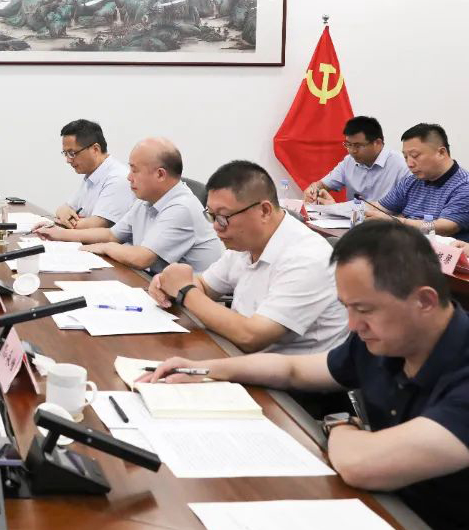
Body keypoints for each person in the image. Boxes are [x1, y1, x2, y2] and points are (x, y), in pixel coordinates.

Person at [141, 221, 469, 530]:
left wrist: (338, 424)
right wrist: (206, 369)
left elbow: (360, 465)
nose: (353, 325)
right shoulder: (385, 340)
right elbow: (293, 369)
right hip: (381, 506)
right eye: (347, 308)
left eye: (364, 310)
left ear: (424, 301)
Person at [149, 160, 348, 354]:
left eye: (223, 217)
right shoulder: (245, 242)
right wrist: (168, 285)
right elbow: (205, 286)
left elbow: (252, 337)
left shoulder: (307, 258)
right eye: (211, 216)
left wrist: (185, 291)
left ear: (264, 211)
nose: (216, 226)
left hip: (284, 373)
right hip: (239, 355)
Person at [33, 138, 223, 273]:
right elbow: (112, 234)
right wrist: (60, 234)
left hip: (188, 305)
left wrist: (105, 247)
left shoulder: (181, 207)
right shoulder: (146, 199)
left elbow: (142, 258)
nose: (128, 177)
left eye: (134, 170)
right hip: (156, 286)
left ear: (160, 174)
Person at [366, 123, 469, 241]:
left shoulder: (464, 185)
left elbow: (444, 227)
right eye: (406, 157)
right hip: (403, 243)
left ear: (441, 153)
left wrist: (395, 221)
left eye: (415, 156)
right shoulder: (411, 181)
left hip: (438, 249)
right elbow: (379, 208)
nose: (409, 164)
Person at [304, 116, 410, 205]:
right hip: (351, 220)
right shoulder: (349, 161)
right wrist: (313, 190)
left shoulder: (401, 165)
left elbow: (409, 210)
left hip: (386, 222)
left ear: (377, 143)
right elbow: (323, 185)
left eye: (358, 146)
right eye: (348, 144)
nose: (352, 151)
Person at [53, 119, 133, 229]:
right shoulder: (91, 174)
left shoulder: (118, 178)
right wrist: (63, 214)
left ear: (95, 149)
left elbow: (97, 225)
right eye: (65, 153)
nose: (68, 160)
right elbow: (64, 208)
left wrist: (62, 221)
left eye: (72, 153)